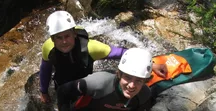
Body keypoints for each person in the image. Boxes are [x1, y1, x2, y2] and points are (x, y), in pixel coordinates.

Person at [39, 10, 167, 103]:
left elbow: (121, 53)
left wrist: (152, 64)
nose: (64, 42)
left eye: (67, 36)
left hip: (84, 81)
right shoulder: (48, 48)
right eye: (59, 38)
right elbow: (45, 69)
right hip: (62, 81)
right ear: (52, 39)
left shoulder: (91, 48)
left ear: (74, 34)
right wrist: (43, 91)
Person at [57, 48, 155, 111]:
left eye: (139, 80)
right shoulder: (99, 83)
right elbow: (63, 90)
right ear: (119, 74)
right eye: (127, 77)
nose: (131, 85)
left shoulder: (144, 95)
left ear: (145, 81)